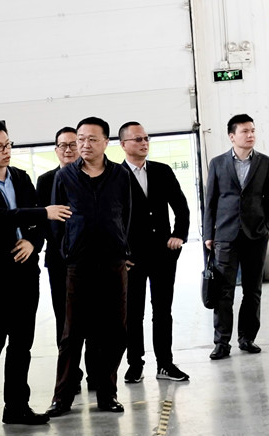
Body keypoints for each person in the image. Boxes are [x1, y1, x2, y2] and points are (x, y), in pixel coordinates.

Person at [0, 120, 71, 433]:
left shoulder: (20, 177)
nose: (6, 151)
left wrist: (32, 241)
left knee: (22, 342)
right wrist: (42, 213)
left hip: (26, 268)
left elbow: (38, 221)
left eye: (8, 144)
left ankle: (17, 407)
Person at [46, 117, 132, 417]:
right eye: (80, 139)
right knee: (72, 334)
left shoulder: (120, 175)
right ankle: (62, 397)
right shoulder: (65, 176)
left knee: (115, 331)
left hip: (113, 262)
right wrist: (66, 250)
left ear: (106, 142)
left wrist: (123, 247)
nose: (84, 144)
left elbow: (126, 214)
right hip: (78, 263)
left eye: (92, 139)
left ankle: (107, 394)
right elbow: (57, 220)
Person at [119, 121, 191, 381]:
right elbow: (110, 218)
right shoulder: (115, 175)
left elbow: (181, 206)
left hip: (162, 253)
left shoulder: (162, 171)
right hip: (132, 258)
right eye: (137, 139)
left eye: (146, 138)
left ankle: (165, 364)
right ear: (123, 144)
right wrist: (120, 254)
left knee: (162, 310)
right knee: (133, 312)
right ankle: (135, 363)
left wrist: (179, 234)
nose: (144, 143)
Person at [203, 114, 269, 360]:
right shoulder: (218, 163)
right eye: (245, 131)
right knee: (223, 292)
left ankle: (247, 338)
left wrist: (268, 228)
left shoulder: (265, 162)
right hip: (225, 235)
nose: (251, 135)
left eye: (253, 130)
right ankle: (222, 343)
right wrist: (208, 233)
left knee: (252, 291)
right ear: (232, 136)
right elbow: (210, 202)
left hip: (256, 235)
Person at [36, 126, 96, 392]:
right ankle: (70, 377)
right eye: (63, 145)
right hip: (59, 260)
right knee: (65, 320)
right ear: (56, 150)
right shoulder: (45, 180)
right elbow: (42, 221)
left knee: (94, 319)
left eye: (74, 144)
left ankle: (96, 374)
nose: (69, 150)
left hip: (90, 259)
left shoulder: (92, 175)